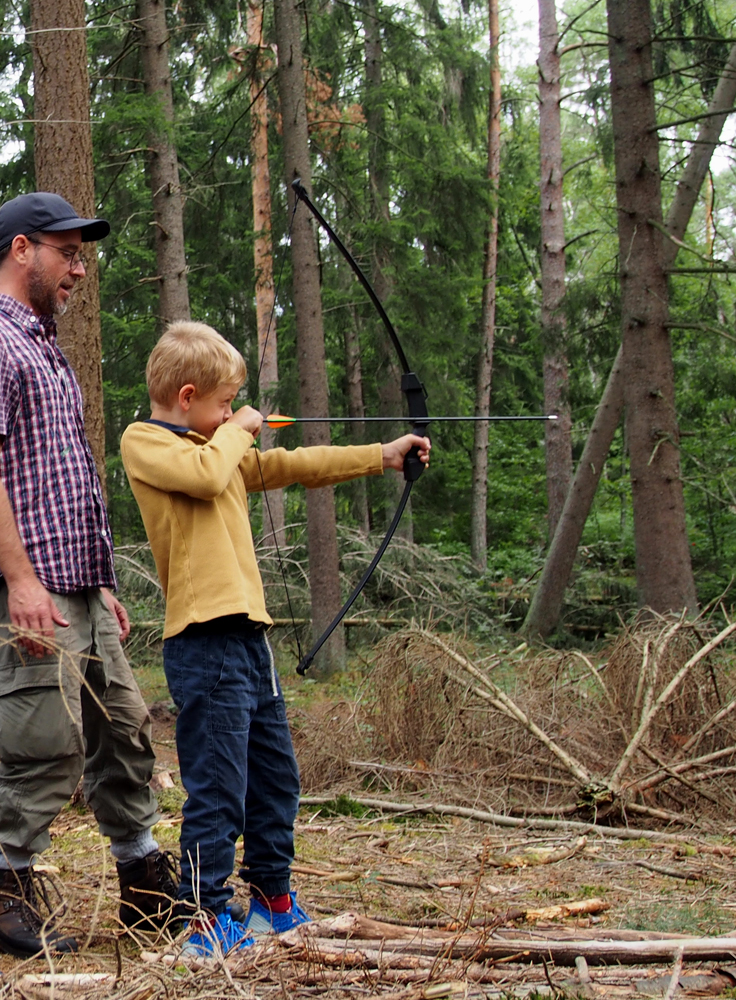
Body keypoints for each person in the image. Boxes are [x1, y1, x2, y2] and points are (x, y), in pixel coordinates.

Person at [120, 321, 431, 958]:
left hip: (249, 642)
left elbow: (291, 465)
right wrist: (236, 430)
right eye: (222, 401)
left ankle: (273, 898)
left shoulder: (220, 447)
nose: (232, 412)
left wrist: (383, 454)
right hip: (204, 641)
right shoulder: (149, 442)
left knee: (275, 776)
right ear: (186, 397)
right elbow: (206, 475)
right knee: (218, 783)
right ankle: (204, 916)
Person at [0, 192, 179, 957]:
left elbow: (57, 471)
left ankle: (142, 881)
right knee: (44, 743)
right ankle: (5, 883)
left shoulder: (44, 343)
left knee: (124, 730)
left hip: (80, 582)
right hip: (32, 585)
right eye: (66, 253)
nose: (79, 269)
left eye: (82, 255)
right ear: (19, 251)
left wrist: (98, 581)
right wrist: (20, 579)